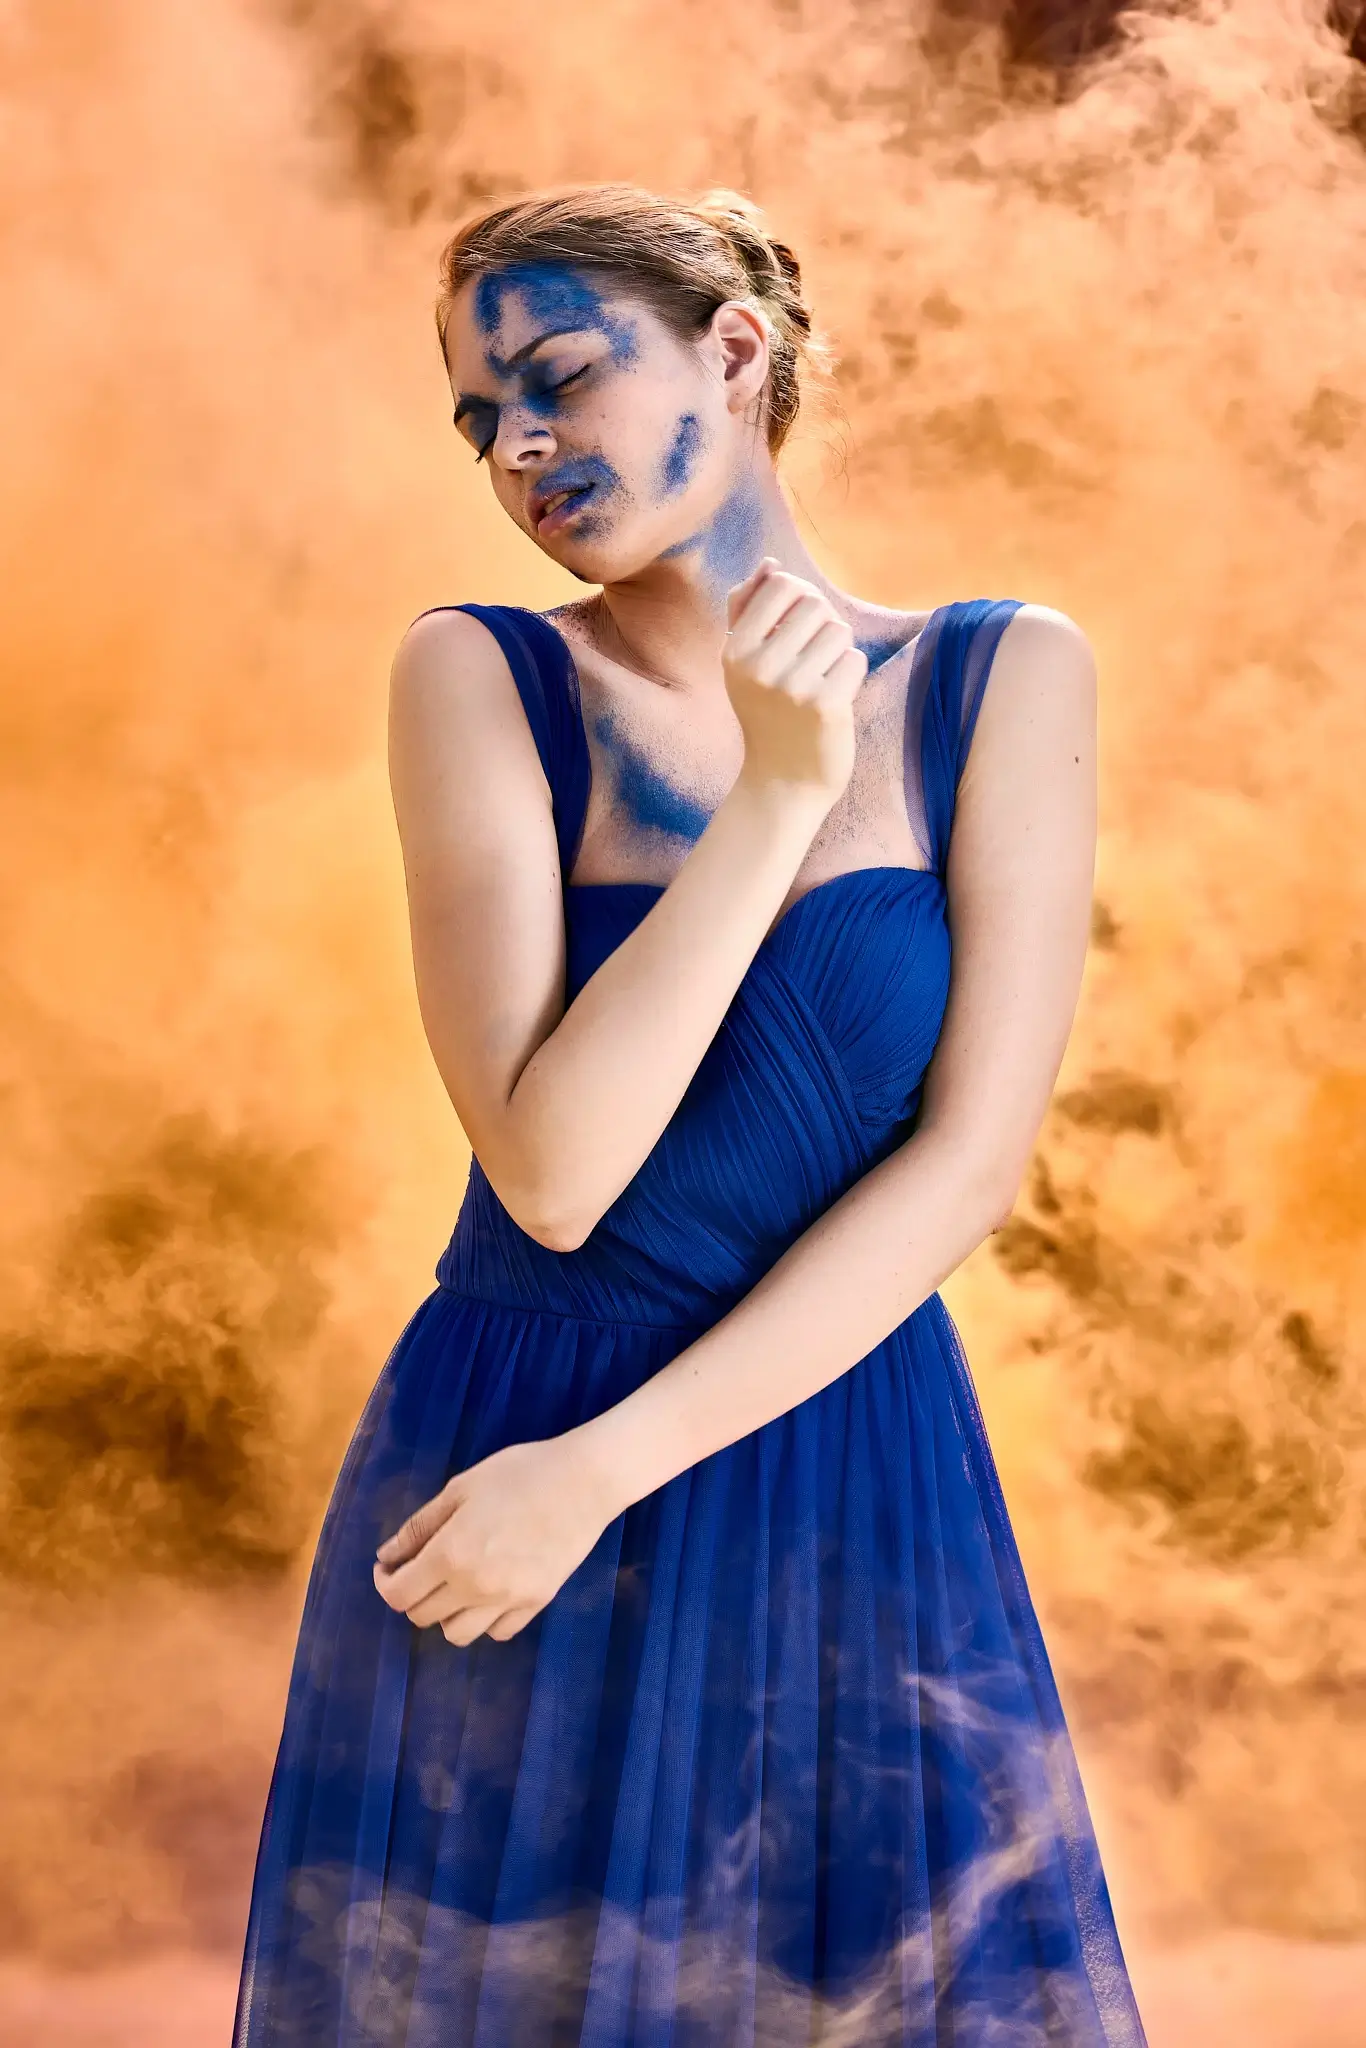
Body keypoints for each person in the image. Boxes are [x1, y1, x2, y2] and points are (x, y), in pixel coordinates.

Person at [233, 181, 1148, 2047]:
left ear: (733, 352)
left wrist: (606, 1472)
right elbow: (556, 1172)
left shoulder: (994, 676)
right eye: (485, 420)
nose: (522, 448)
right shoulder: (481, 675)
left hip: (833, 1438)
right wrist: (771, 802)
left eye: (560, 377)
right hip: (513, 1434)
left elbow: (968, 1169)